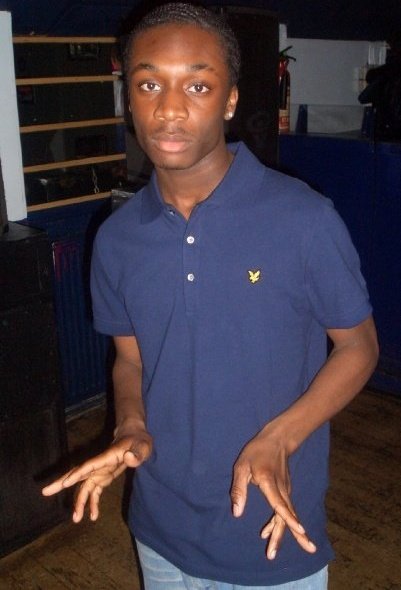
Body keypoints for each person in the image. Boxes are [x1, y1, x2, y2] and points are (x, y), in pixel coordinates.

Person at [43, 3, 379, 588]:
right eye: (149, 84)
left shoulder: (303, 219)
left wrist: (280, 437)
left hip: (270, 528)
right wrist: (130, 427)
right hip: (160, 531)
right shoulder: (117, 239)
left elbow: (359, 347)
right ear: (129, 98)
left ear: (229, 101)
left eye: (197, 86)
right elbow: (130, 360)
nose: (170, 109)